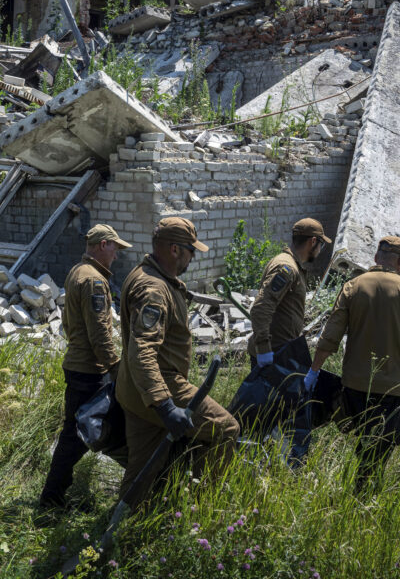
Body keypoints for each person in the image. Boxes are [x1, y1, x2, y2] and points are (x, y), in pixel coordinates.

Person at [304, 236, 400, 490]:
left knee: (357, 437)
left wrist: (314, 372)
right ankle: (363, 496)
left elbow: (330, 337)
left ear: (376, 257)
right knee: (375, 458)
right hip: (392, 391)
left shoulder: (352, 286)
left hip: (353, 389)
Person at [116, 217, 239, 506]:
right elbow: (142, 351)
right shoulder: (154, 291)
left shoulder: (149, 274)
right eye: (190, 250)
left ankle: (123, 526)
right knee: (227, 429)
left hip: (135, 390)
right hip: (161, 386)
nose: (193, 257)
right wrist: (165, 405)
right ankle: (199, 506)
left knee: (142, 472)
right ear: (174, 250)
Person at [38, 224, 132, 510]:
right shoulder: (94, 282)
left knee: (82, 432)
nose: (116, 255)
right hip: (91, 371)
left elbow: (70, 324)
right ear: (103, 245)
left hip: (80, 365)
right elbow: (99, 333)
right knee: (82, 434)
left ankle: (54, 495)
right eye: (115, 248)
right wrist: (116, 369)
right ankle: (52, 498)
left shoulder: (77, 271)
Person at [237, 218, 331, 463]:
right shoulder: (286, 268)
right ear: (313, 242)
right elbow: (260, 308)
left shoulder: (290, 265)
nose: (320, 251)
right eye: (321, 245)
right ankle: (281, 464)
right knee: (275, 415)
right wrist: (265, 349)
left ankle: (264, 460)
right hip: (277, 357)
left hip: (285, 354)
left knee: (271, 415)